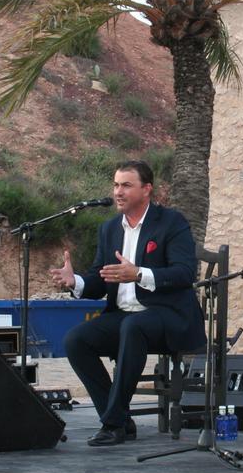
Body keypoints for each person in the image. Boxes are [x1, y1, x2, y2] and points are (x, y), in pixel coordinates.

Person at [51, 161, 205, 446]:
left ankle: (112, 423)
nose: (118, 192)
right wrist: (76, 283)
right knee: (76, 339)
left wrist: (139, 274)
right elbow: (101, 279)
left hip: (169, 315)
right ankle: (120, 419)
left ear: (147, 189)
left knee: (133, 327)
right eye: (115, 185)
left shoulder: (171, 222)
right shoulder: (109, 229)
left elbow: (184, 273)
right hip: (126, 316)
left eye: (126, 185)